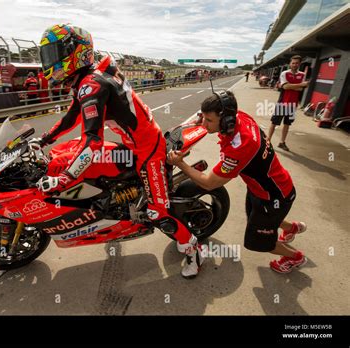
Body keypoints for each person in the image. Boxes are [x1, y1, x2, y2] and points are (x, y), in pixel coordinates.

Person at [35, 24, 203, 278]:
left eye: (53, 53)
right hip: (132, 146)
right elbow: (72, 118)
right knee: (70, 154)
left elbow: (92, 142)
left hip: (149, 150)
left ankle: (193, 249)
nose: (49, 61)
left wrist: (63, 179)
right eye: (46, 55)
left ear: (73, 53)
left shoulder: (92, 84)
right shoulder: (88, 78)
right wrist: (44, 139)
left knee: (158, 213)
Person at [167, 91, 307, 274]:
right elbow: (204, 122)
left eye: (209, 120)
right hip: (266, 187)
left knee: (259, 242)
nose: (203, 123)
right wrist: (195, 123)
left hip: (273, 195)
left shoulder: (240, 146)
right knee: (261, 218)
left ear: (226, 121)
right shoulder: (240, 117)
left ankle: (295, 257)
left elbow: (209, 184)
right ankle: (293, 228)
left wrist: (180, 164)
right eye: (203, 118)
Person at [267, 56, 308, 151]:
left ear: (299, 64)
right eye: (293, 63)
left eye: (297, 63)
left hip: (293, 104)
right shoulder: (284, 73)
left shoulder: (302, 74)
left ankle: (282, 142)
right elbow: (285, 87)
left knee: (287, 124)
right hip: (283, 102)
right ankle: (268, 141)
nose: (294, 65)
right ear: (290, 64)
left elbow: (301, 89)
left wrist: (291, 86)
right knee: (274, 123)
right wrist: (299, 85)